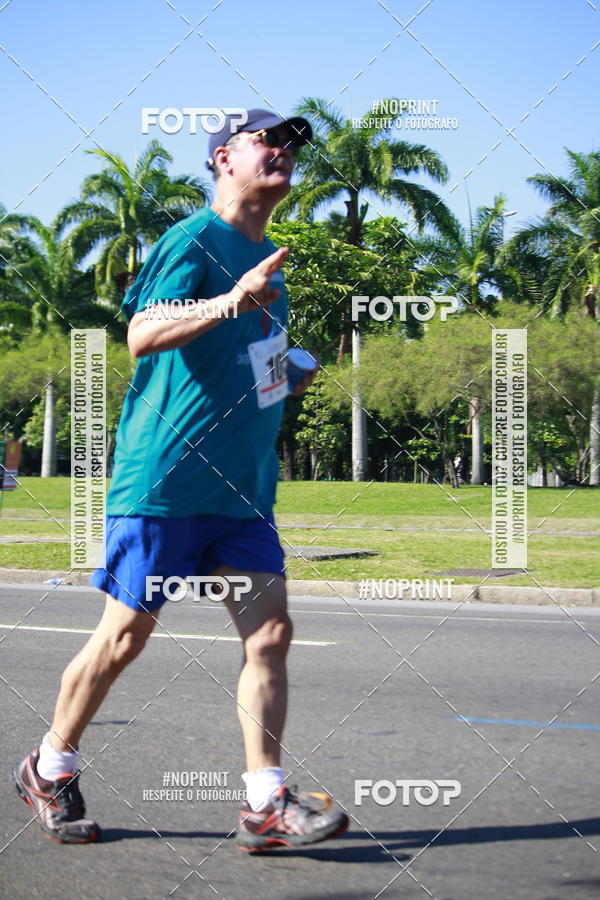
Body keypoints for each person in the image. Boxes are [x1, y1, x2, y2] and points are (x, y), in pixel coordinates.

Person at [12, 108, 349, 851]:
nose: (284, 151)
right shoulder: (194, 239)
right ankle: (49, 766)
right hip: (164, 481)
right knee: (124, 637)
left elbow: (242, 362)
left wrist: (285, 372)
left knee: (270, 634)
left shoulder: (270, 262)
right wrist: (231, 300)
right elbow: (142, 333)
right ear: (223, 157)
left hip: (241, 493)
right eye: (268, 139)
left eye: (292, 144)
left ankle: (265, 803)